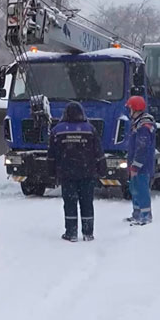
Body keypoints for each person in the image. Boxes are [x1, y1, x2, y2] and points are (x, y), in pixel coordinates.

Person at [47, 102, 104, 242]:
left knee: (70, 203)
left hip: (67, 174)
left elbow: (51, 155)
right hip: (87, 172)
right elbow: (98, 151)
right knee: (87, 203)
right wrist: (102, 169)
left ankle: (71, 233)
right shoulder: (90, 129)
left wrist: (51, 172)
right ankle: (88, 233)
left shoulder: (57, 130)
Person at [125, 96, 156, 225]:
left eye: (130, 108)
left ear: (135, 109)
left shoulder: (144, 126)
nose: (129, 111)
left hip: (142, 166)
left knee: (142, 190)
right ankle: (137, 214)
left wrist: (135, 166)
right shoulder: (138, 123)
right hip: (136, 164)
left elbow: (142, 148)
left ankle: (145, 216)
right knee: (135, 189)